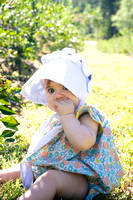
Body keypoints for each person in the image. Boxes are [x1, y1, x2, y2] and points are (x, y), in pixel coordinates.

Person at [0, 48, 124, 200]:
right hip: (52, 166)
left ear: (79, 88)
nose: (58, 95)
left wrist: (67, 115)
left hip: (80, 178)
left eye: (65, 87)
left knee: (49, 179)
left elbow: (83, 143)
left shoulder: (87, 115)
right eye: (51, 90)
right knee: (24, 169)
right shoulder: (57, 120)